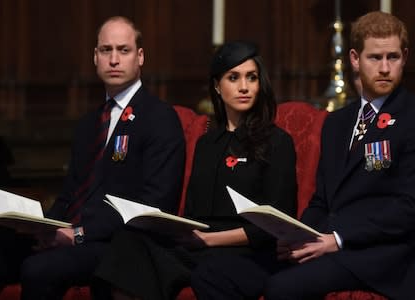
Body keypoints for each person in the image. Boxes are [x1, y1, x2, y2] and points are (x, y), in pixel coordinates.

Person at [191, 11, 415, 300]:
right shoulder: (337, 122)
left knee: (282, 287)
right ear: (354, 59)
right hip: (326, 242)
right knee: (219, 274)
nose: (385, 68)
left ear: (405, 57)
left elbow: (410, 209)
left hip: (378, 256)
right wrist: (299, 236)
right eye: (375, 58)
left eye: (393, 57)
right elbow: (323, 200)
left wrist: (336, 240)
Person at [93, 41, 297, 300]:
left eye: (252, 78)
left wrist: (209, 240)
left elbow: (276, 224)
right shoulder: (206, 143)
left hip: (252, 254)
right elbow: (193, 213)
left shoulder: (278, 142)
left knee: (209, 273)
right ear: (217, 86)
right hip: (199, 247)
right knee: (129, 244)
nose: (244, 87)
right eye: (233, 78)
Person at [0, 16, 185, 300]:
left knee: (38, 269)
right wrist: (43, 228)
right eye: (106, 50)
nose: (113, 59)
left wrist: (80, 235)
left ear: (140, 57)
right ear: (95, 57)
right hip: (73, 233)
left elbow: (154, 204)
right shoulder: (89, 123)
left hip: (118, 243)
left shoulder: (159, 118)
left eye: (123, 50)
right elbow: (70, 194)